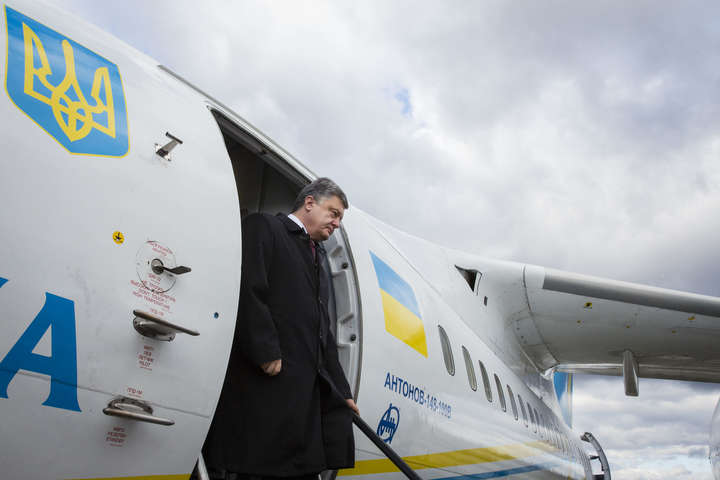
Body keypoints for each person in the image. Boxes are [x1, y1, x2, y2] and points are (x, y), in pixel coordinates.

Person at [203, 177, 358, 480]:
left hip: (301, 400)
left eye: (340, 218)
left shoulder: (317, 256)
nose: (337, 223)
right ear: (309, 202)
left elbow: (322, 332)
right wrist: (265, 350)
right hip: (268, 383)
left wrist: (342, 391)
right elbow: (249, 287)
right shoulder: (265, 227)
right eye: (334, 213)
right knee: (259, 468)